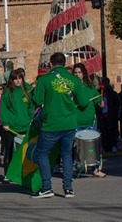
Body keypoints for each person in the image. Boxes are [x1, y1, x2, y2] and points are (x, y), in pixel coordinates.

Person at [30, 53, 96, 199]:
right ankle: (68, 188)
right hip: (69, 123)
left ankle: (47, 186)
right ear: (64, 63)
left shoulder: (45, 79)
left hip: (51, 124)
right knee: (66, 154)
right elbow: (84, 102)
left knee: (42, 153)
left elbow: (37, 99)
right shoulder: (74, 80)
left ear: (51, 64)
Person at [0, 68, 33, 182]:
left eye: (20, 78)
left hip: (25, 126)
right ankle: (7, 174)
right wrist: (5, 123)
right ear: (11, 80)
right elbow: (3, 109)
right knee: (9, 152)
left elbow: (30, 108)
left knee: (23, 153)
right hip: (11, 128)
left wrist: (31, 119)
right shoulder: (8, 93)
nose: (18, 81)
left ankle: (21, 174)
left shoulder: (26, 92)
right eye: (15, 79)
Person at [71, 63, 106, 178]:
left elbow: (98, 100)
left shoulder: (90, 88)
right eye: (75, 72)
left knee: (93, 146)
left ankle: (96, 168)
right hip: (76, 121)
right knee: (76, 146)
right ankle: (77, 166)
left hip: (90, 121)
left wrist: (101, 103)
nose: (77, 75)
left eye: (79, 72)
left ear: (83, 74)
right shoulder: (70, 88)